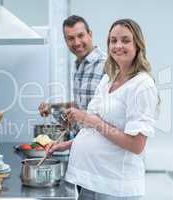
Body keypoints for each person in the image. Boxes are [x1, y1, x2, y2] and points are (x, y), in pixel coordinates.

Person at [48, 19, 159, 200]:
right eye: (113, 40)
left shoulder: (142, 85)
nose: (118, 45)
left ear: (138, 45)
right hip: (90, 182)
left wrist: (93, 121)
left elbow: (136, 145)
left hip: (115, 187)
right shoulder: (108, 79)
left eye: (125, 40)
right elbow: (94, 131)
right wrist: (69, 145)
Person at [38, 15, 106, 135]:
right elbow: (83, 104)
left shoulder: (107, 65)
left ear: (90, 34)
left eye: (80, 36)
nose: (77, 43)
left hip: (101, 145)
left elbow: (112, 112)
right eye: (70, 38)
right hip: (82, 141)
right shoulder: (79, 65)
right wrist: (52, 107)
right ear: (65, 40)